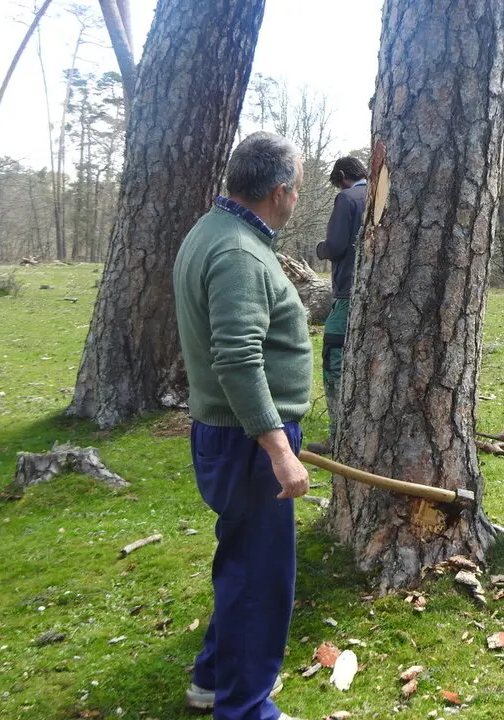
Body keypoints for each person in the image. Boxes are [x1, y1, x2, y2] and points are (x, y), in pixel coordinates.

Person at [173, 131, 310, 720]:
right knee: (260, 580)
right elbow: (236, 357)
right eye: (298, 188)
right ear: (279, 191)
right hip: (251, 440)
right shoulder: (238, 254)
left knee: (240, 562)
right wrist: (279, 450)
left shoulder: (215, 231)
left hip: (235, 435)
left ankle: (212, 679)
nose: (298, 197)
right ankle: (245, 708)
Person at [306, 156, 368, 455]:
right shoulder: (385, 192)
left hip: (347, 293)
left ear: (343, 176)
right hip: (379, 293)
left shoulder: (348, 198)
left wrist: (321, 247)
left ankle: (339, 435)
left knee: (334, 357)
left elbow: (336, 246)